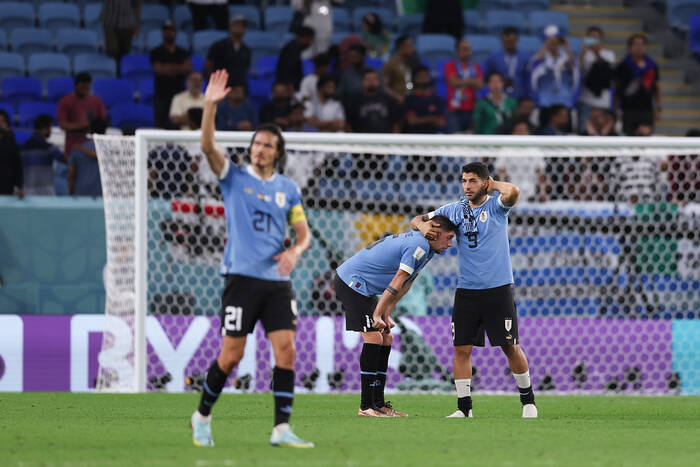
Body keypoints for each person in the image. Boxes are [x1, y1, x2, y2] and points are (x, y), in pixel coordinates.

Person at [190, 69, 314, 448]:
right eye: (256, 144)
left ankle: (281, 429)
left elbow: (303, 235)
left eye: (266, 145)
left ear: (278, 153)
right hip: (241, 279)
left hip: (276, 281)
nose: (259, 149)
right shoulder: (234, 178)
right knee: (231, 356)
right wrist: (210, 106)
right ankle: (202, 416)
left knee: (287, 350)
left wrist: (294, 252)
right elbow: (209, 148)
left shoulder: (287, 189)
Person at [411, 161, 538, 419]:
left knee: (510, 346)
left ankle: (528, 403)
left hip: (498, 289)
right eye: (464, 181)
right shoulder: (455, 210)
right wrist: (423, 225)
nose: (467, 186)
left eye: (472, 181)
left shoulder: (496, 206)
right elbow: (416, 220)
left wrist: (493, 185)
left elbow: (513, 191)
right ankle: (464, 409)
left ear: (485, 182)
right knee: (461, 348)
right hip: (467, 290)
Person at [334, 218, 457, 417]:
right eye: (449, 238)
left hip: (364, 288)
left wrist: (386, 313)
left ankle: (379, 403)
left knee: (386, 338)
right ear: (435, 232)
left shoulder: (428, 248)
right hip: (352, 283)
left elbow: (406, 284)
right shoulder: (419, 245)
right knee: (374, 338)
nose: (450, 244)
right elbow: (398, 278)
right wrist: (377, 313)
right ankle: (366, 406)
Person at [614, 33, 661, 136]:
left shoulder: (652, 66)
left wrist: (658, 107)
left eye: (641, 44)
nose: (639, 47)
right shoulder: (623, 66)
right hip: (628, 109)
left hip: (646, 109)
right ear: (630, 47)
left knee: (646, 136)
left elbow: (657, 87)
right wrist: (617, 109)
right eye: (636, 44)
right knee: (629, 138)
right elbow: (617, 89)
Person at [150, 20, 193, 129]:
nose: (169, 33)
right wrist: (179, 68)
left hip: (179, 94)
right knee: (160, 126)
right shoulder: (156, 51)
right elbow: (159, 70)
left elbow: (187, 68)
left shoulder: (182, 52)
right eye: (166, 30)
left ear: (176, 32)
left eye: (171, 30)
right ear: (163, 32)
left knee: (179, 125)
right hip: (161, 94)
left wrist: (167, 68)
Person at [57, 73, 108, 159]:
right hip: (73, 146)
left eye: (87, 88)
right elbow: (62, 124)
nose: (85, 90)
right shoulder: (65, 101)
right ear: (75, 86)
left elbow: (103, 120)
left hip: (93, 146)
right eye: (82, 87)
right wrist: (84, 125)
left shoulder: (96, 100)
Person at [530, 25, 579, 109]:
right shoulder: (540, 56)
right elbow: (535, 63)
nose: (553, 43)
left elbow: (573, 67)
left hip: (564, 99)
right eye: (550, 40)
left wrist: (567, 47)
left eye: (556, 40)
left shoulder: (566, 56)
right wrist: (546, 45)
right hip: (545, 99)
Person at [577, 26, 615, 133]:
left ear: (602, 39)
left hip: (603, 101)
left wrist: (596, 52)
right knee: (584, 129)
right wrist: (583, 50)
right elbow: (578, 68)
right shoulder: (583, 54)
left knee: (604, 130)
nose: (594, 40)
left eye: (596, 37)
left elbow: (607, 69)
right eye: (591, 37)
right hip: (586, 99)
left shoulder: (608, 54)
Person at [345, 68, 402, 133]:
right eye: (368, 79)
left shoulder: (389, 100)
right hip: (362, 140)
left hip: (385, 139)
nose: (371, 82)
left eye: (374, 79)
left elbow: (396, 125)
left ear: (379, 81)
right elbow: (348, 125)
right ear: (362, 81)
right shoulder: (355, 101)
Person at [444, 39, 483, 133]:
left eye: (469, 49)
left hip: (472, 108)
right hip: (454, 109)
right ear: (457, 51)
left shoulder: (476, 67)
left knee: (470, 139)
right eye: (464, 49)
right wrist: (472, 81)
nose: (467, 52)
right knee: (455, 139)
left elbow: (480, 84)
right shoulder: (450, 66)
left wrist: (461, 81)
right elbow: (453, 82)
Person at [20, 115, 65, 195]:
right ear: (45, 129)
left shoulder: (23, 148)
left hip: (28, 192)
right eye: (50, 127)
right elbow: (66, 160)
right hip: (46, 193)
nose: (51, 130)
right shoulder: (50, 148)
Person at [483, 27, 532, 99]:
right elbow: (487, 77)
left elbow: (529, 78)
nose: (508, 44)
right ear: (502, 41)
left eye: (511, 41)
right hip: (499, 95)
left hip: (521, 95)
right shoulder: (493, 57)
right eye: (506, 42)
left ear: (516, 40)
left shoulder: (526, 57)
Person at [204, 15, 251, 88]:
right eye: (237, 24)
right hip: (221, 88)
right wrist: (215, 86)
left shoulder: (246, 49)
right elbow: (208, 67)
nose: (240, 27)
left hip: (240, 90)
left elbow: (246, 71)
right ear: (230, 27)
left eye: (242, 26)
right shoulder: (218, 46)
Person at [68, 117, 108, 197]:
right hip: (101, 195)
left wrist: (70, 193)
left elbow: (71, 175)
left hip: (80, 194)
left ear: (89, 130)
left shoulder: (77, 150)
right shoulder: (109, 150)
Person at [403, 66, 446, 134]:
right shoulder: (409, 99)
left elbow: (441, 122)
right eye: (421, 77)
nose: (424, 79)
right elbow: (411, 121)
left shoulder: (437, 99)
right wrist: (433, 119)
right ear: (414, 79)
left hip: (433, 138)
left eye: (426, 76)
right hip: (414, 137)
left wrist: (419, 120)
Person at [101, 0, 141, 73]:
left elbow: (137, 5)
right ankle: (113, 75)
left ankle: (123, 76)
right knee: (112, 52)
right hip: (110, 24)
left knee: (125, 54)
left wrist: (137, 24)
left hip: (126, 25)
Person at [276, 26, 316, 93]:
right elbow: (287, 71)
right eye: (310, 40)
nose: (310, 43)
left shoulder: (294, 48)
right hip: (290, 89)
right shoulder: (292, 50)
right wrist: (290, 89)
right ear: (305, 37)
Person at [381, 35, 416, 104]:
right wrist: (397, 96)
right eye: (409, 46)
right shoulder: (390, 64)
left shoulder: (411, 62)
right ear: (401, 47)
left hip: (411, 98)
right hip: (397, 100)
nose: (413, 49)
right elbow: (384, 86)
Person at [0, 109, 23, 198]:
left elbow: (18, 167)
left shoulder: (12, 145)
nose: (0, 124)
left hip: (7, 186)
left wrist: (19, 186)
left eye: (2, 121)